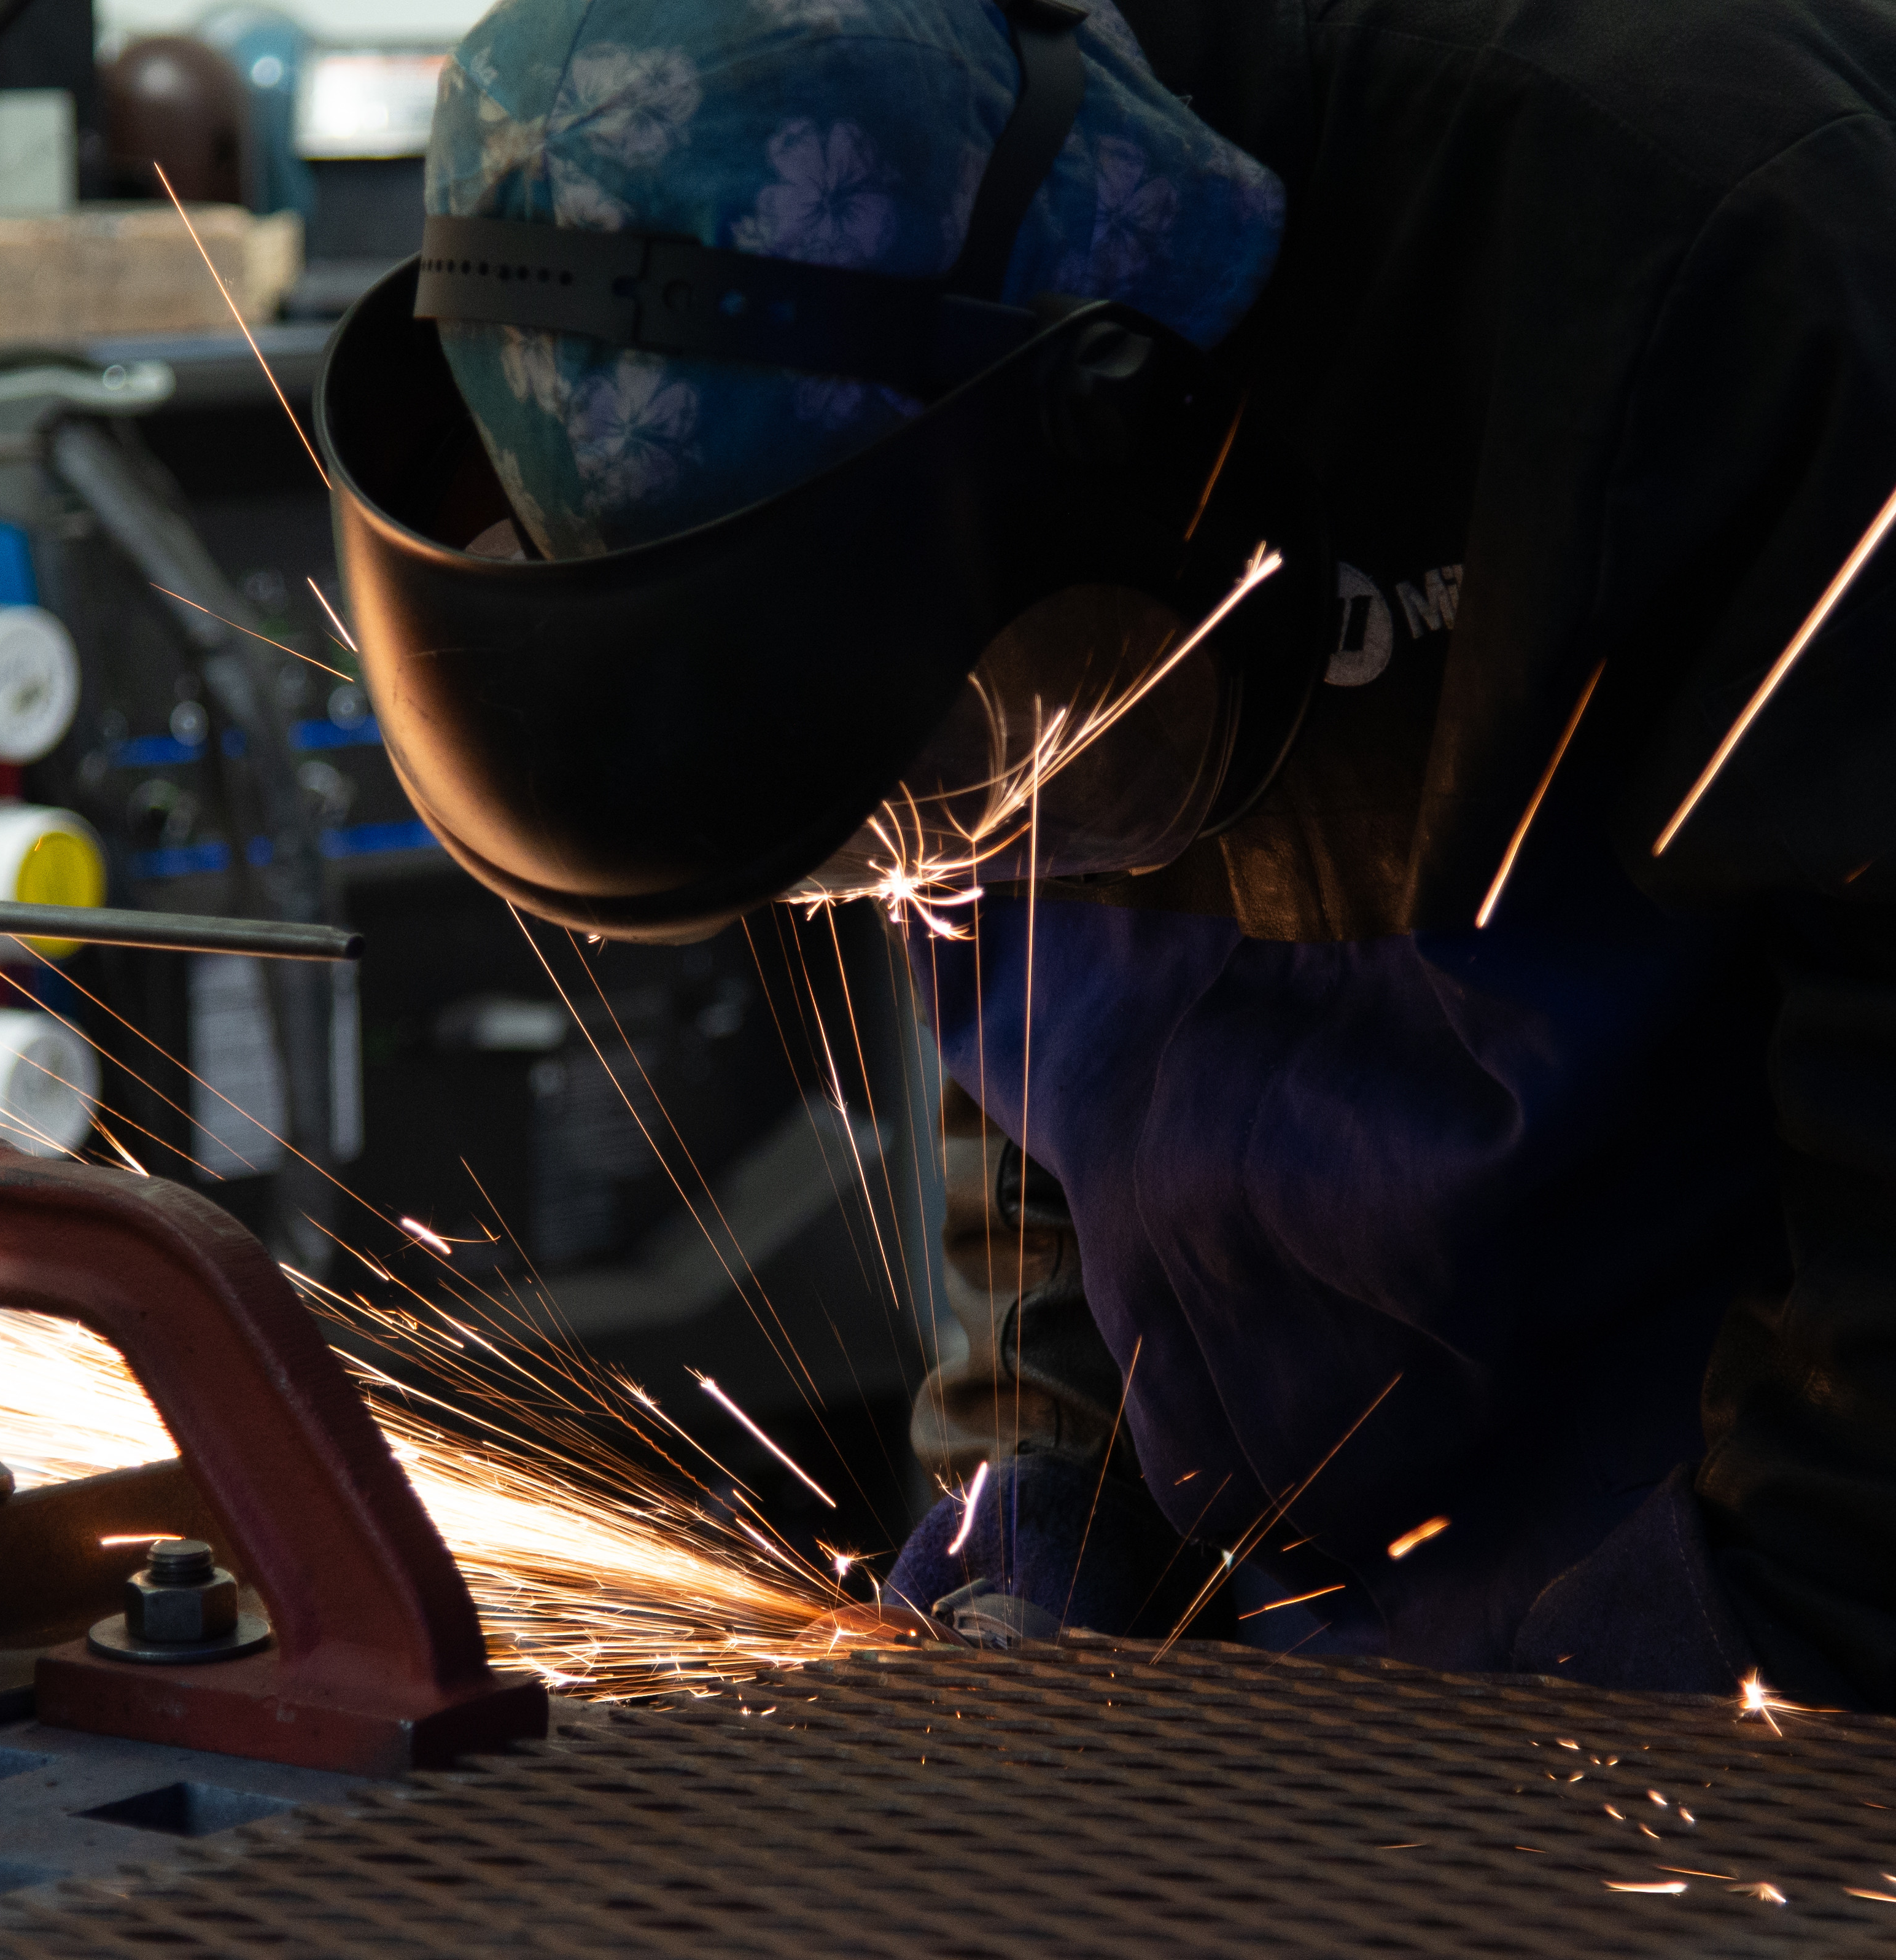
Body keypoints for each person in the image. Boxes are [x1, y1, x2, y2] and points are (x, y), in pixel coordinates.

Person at [322, 0, 1896, 1706]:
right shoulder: (913, 461)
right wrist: (1043, 1491)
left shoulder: (1710, 237)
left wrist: (1771, 1662)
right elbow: (1045, 1038)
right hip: (1348, 1665)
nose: (960, 844)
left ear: (1108, 404)